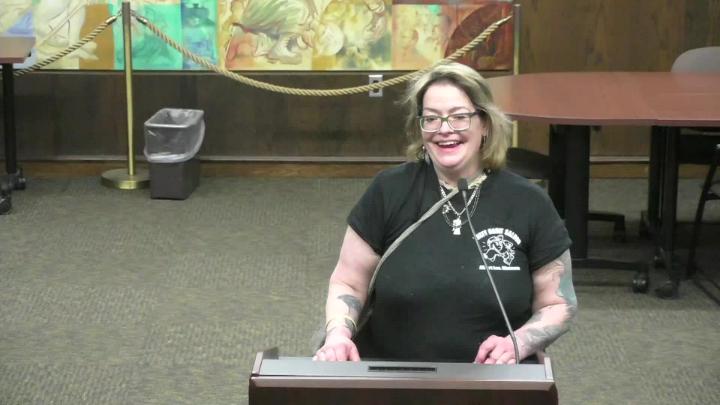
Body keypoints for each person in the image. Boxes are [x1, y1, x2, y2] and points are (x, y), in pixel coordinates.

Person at [314, 62, 577, 364]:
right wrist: (338, 335)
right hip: (393, 378)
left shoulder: (529, 202)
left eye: (459, 117)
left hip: (493, 379)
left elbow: (559, 304)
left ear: (485, 124)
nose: (444, 130)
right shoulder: (388, 191)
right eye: (431, 119)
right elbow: (348, 282)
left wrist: (518, 343)